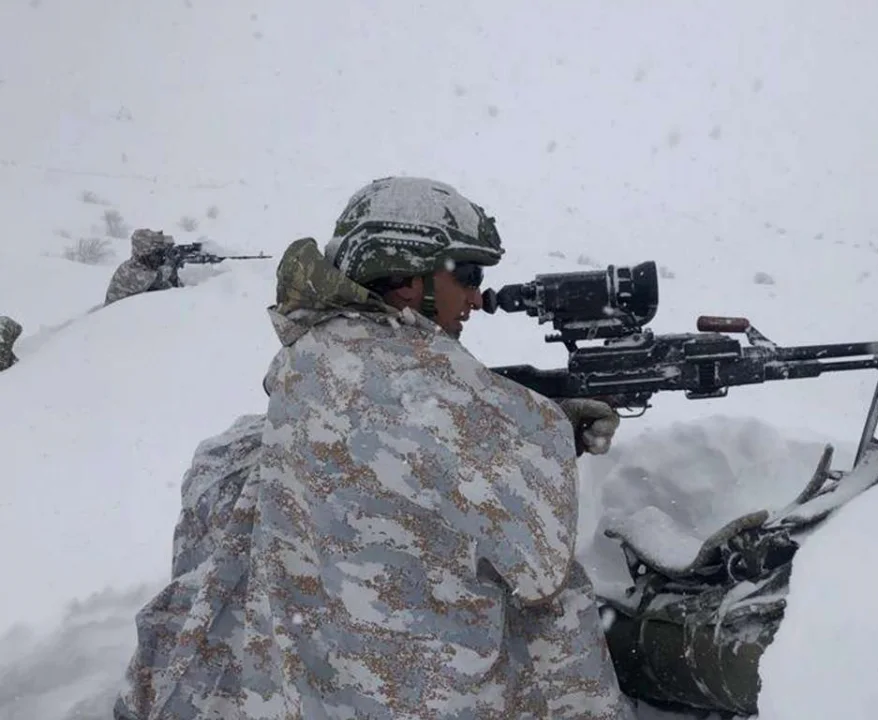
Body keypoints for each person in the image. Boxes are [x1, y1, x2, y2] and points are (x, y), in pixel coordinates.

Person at [115, 176, 635, 720]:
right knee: (558, 610)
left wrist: (515, 422)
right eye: (468, 274)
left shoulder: (308, 358)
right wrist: (543, 433)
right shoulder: (447, 392)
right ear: (408, 281)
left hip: (307, 687)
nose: (479, 297)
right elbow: (540, 566)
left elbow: (397, 446)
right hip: (430, 693)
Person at [104, 228, 183, 305]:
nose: (160, 257)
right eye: (157, 253)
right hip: (117, 316)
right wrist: (171, 264)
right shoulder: (130, 272)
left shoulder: (140, 265)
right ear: (144, 254)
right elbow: (162, 281)